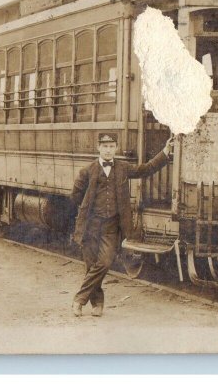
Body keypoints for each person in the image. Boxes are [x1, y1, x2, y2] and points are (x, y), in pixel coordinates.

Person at [70, 133, 173, 317]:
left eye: (111, 146)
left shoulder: (123, 168)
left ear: (116, 148)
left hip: (111, 227)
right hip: (90, 227)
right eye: (105, 146)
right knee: (91, 265)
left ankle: (79, 299)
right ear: (98, 148)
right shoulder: (87, 171)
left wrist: (164, 152)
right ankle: (97, 304)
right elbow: (75, 196)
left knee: (104, 262)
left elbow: (146, 169)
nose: (108, 150)